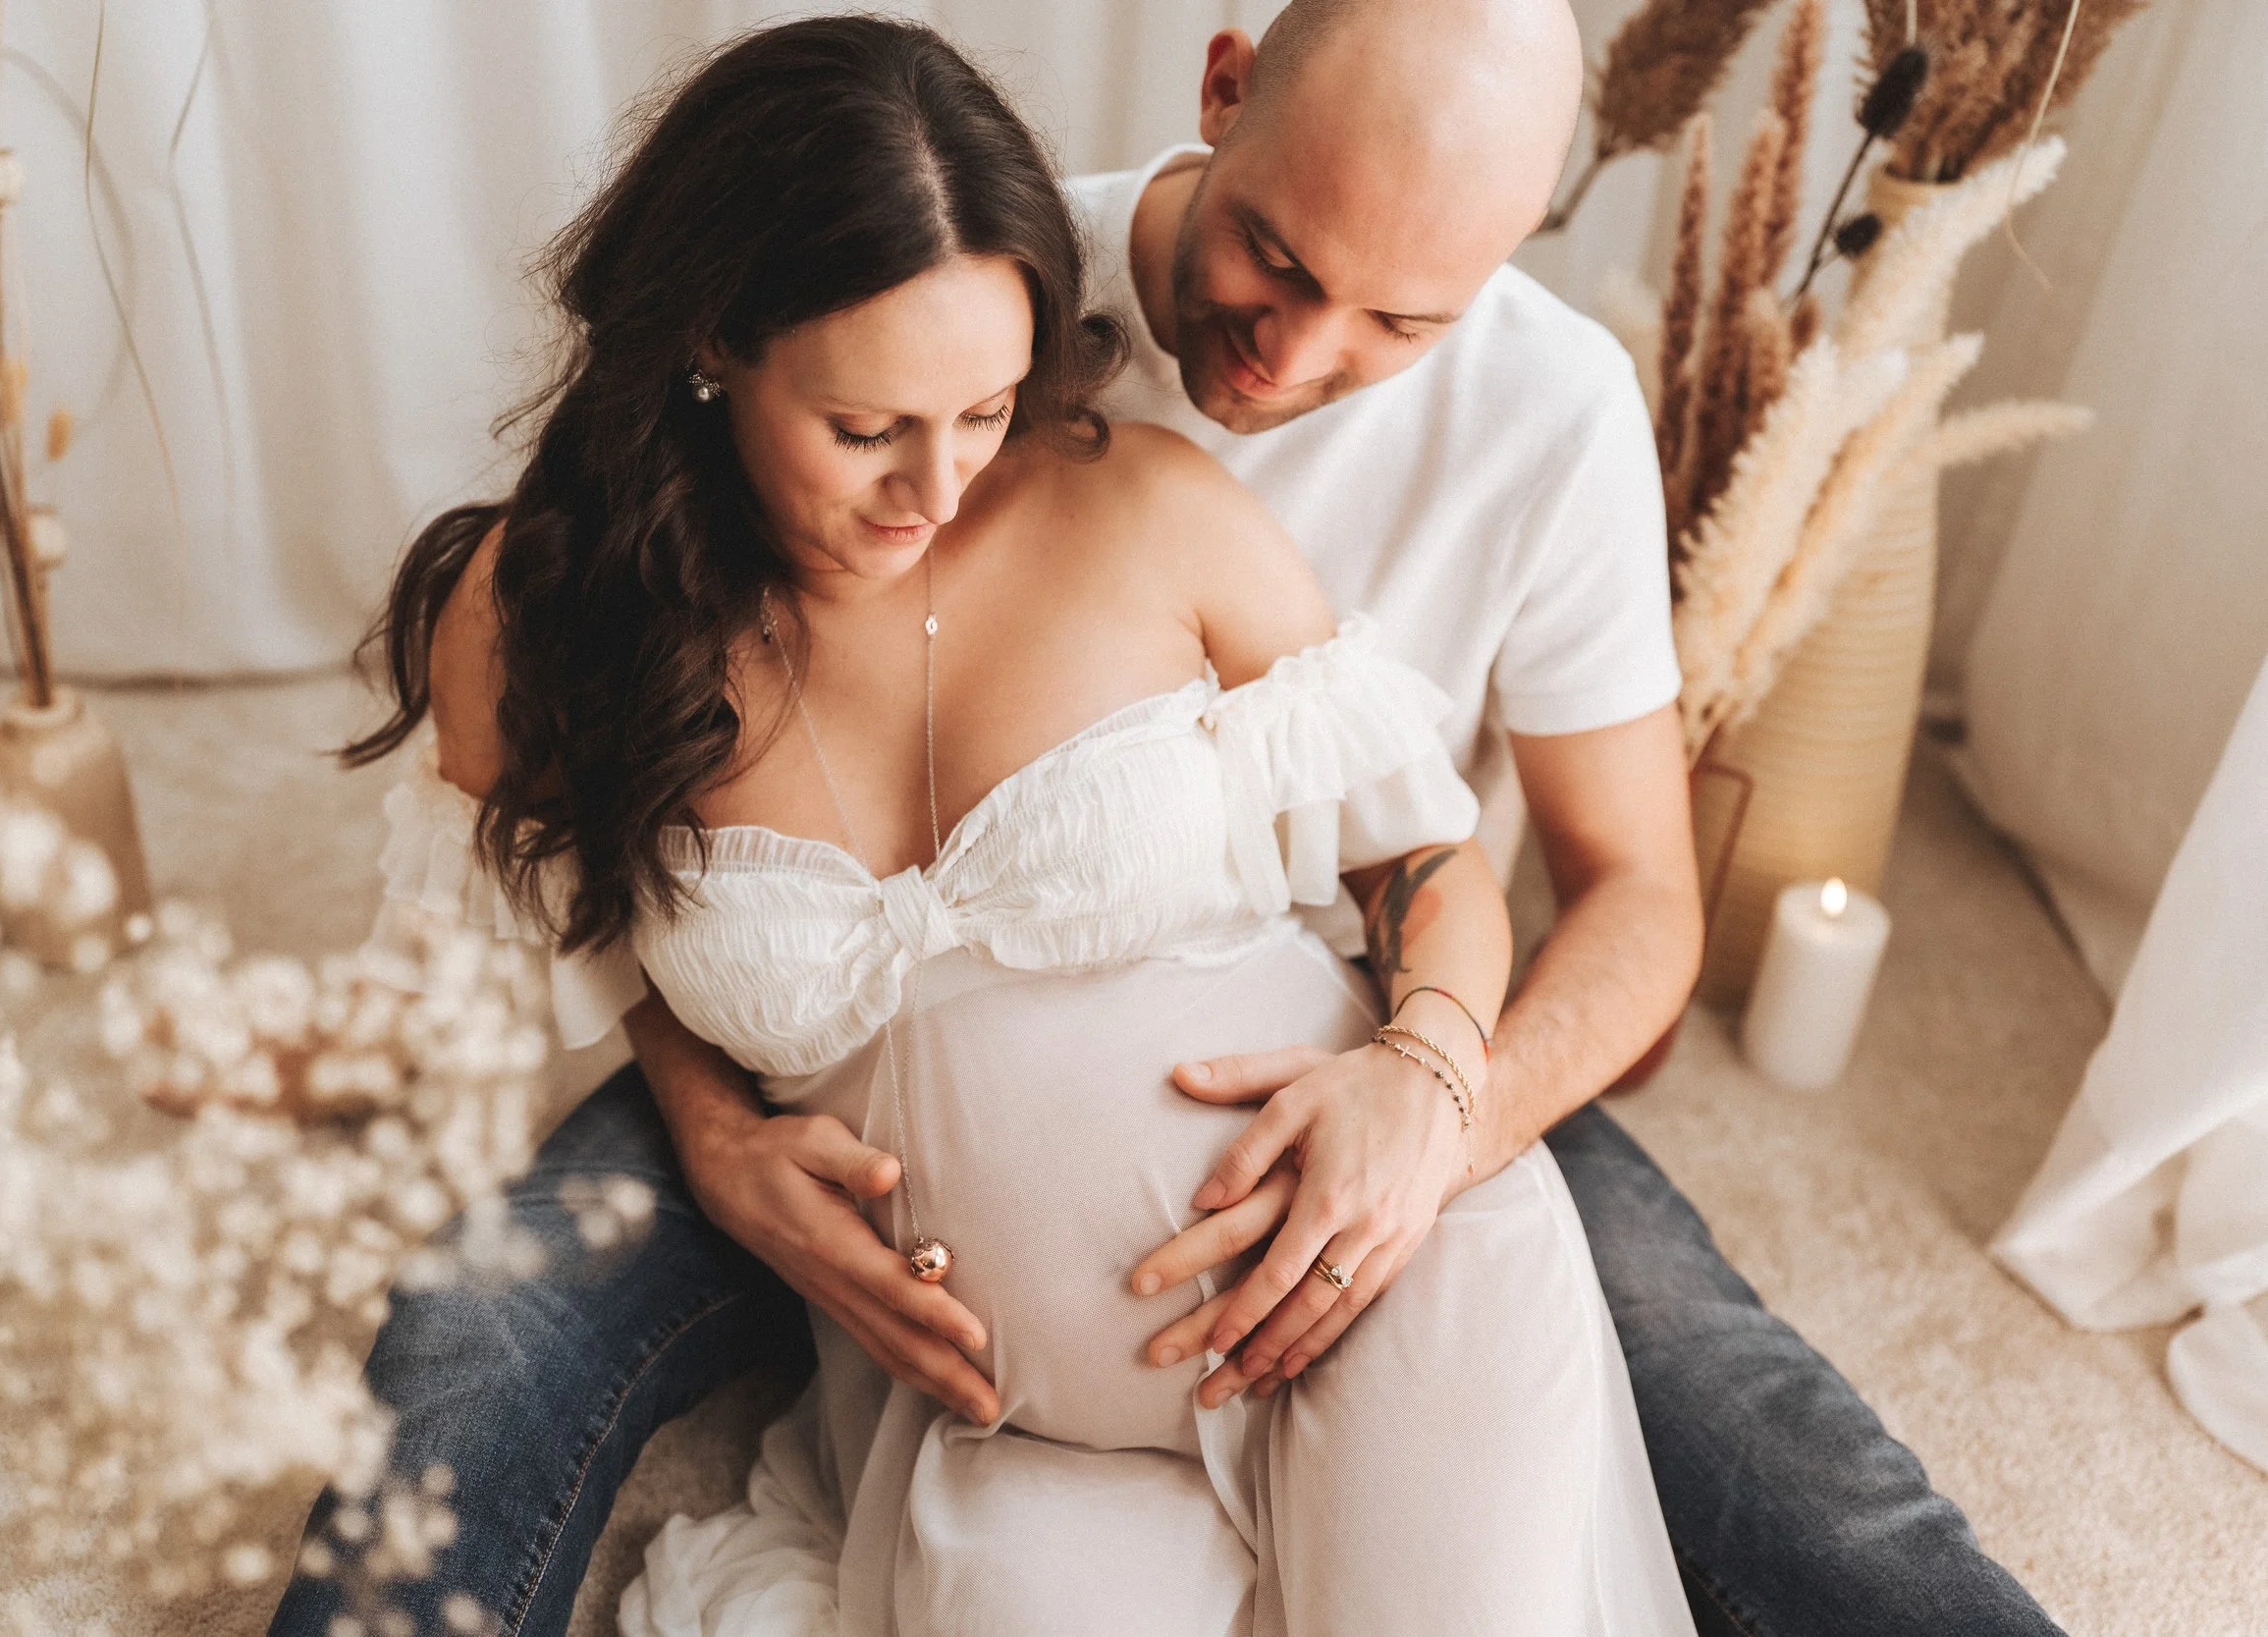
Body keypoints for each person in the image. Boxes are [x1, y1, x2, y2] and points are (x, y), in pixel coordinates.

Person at [273, 4, 2067, 1636]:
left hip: (1369, 1033)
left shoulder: (1540, 408)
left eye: (1401, 323)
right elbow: (597, 784)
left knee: (1762, 1433)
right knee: (476, 1339)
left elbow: (1627, 898)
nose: (1293, 359)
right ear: (1223, 93)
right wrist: (717, 1131)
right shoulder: (954, 255)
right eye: (1274, 260)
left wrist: (1436, 1099)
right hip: (819, 1058)